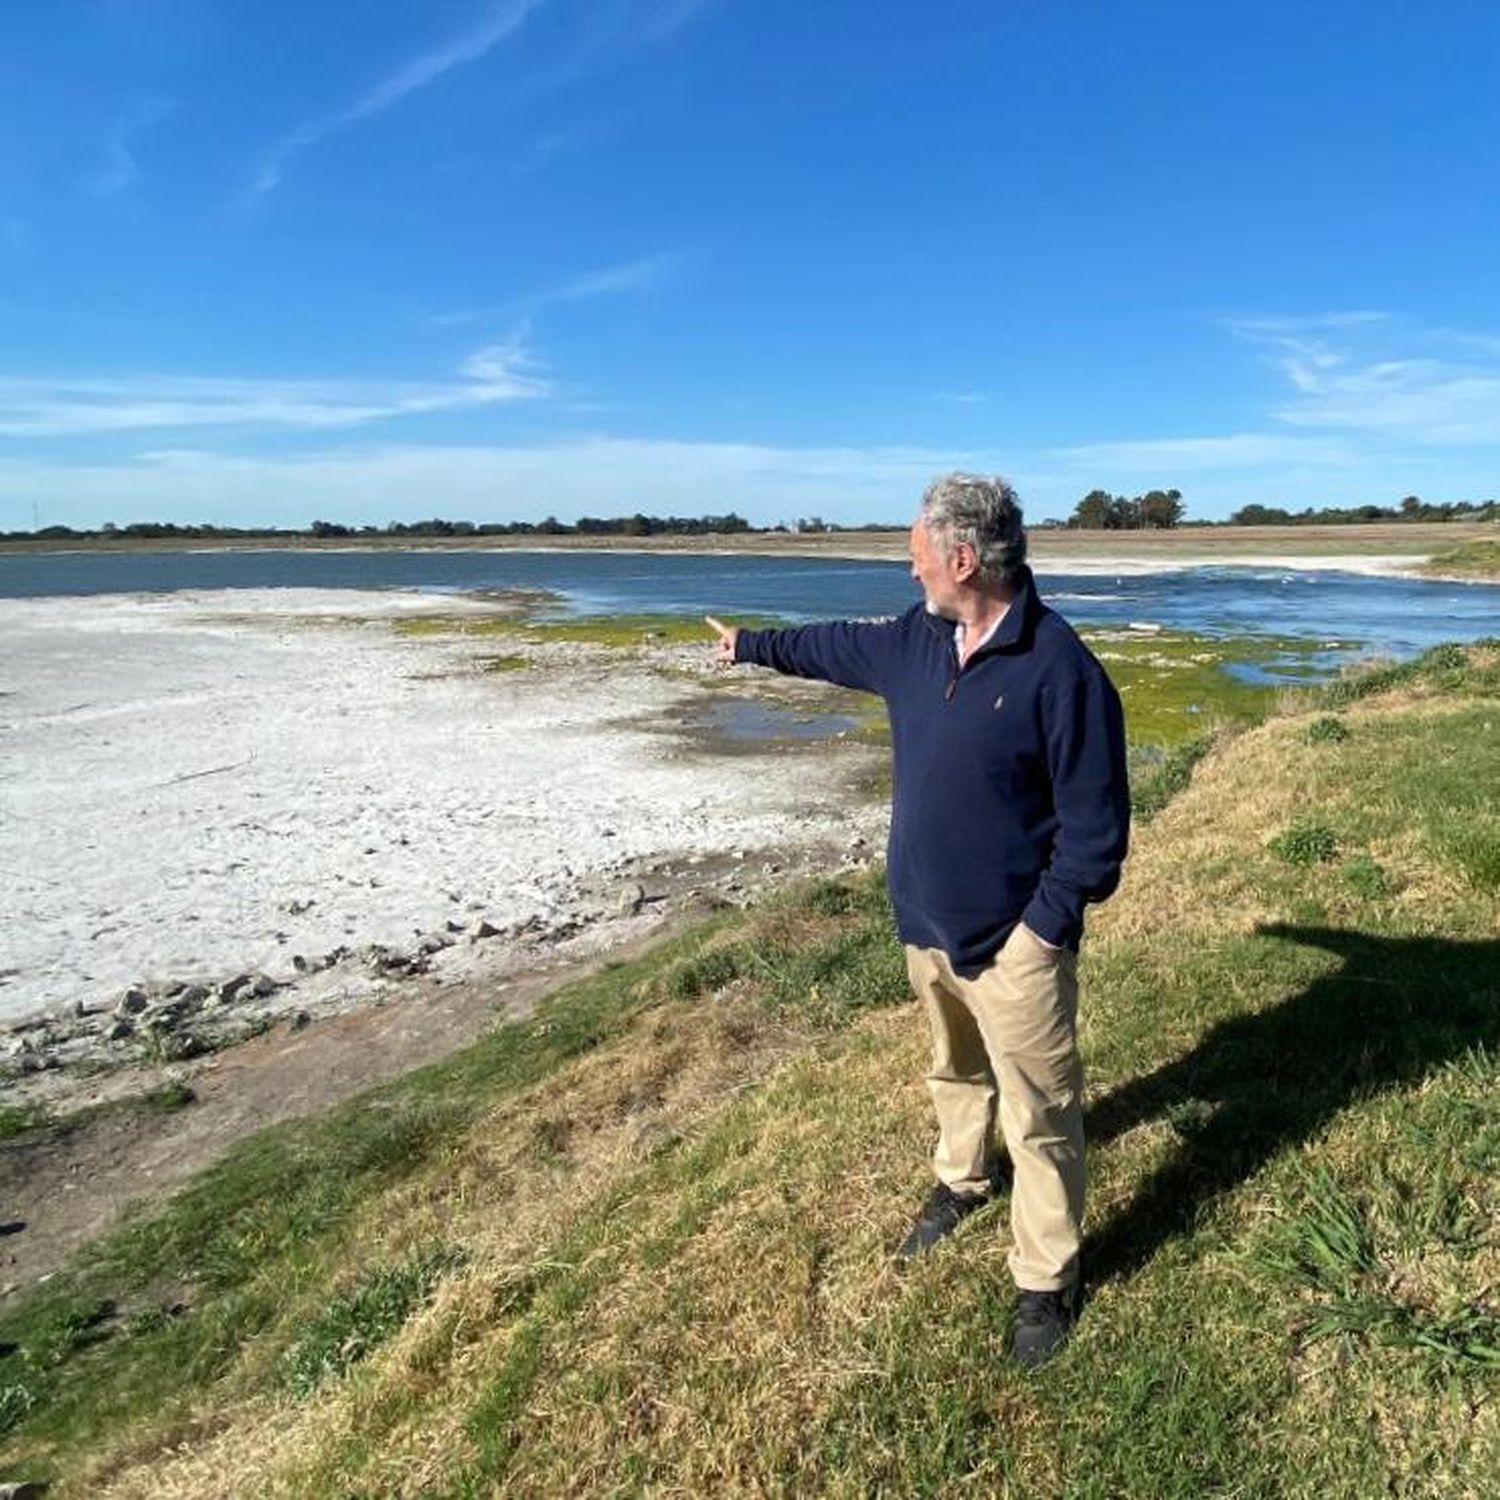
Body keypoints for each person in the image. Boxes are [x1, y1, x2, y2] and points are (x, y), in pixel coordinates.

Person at [705, 472, 1129, 1367]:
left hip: (1016, 947)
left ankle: (1046, 1281)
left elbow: (1096, 839)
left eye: (916, 557)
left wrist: (1042, 930)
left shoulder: (1063, 671)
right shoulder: (914, 641)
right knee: (953, 1071)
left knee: (1043, 1116)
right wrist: (750, 646)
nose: (910, 573)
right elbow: (832, 645)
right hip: (925, 928)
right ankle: (962, 1181)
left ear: (962, 558)